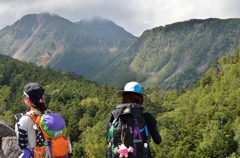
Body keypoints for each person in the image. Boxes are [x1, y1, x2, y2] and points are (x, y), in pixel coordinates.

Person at [106, 81, 161, 158]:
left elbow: (108, 138)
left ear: (124, 96)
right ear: (140, 97)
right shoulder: (146, 115)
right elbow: (158, 140)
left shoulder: (114, 115)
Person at [15, 82, 50, 157]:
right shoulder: (49, 114)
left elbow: (22, 145)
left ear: (27, 99)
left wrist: (17, 126)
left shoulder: (25, 120)